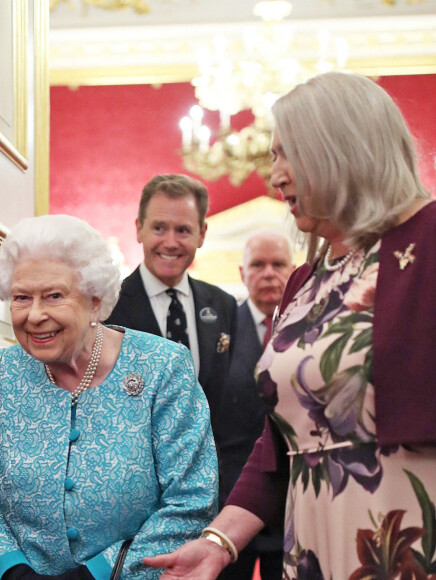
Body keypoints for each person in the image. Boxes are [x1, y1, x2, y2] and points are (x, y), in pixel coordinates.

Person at [144, 71, 436, 580]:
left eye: (286, 154)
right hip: (311, 547)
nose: (275, 174)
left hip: (406, 538)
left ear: (341, 147)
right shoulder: (306, 278)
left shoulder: (429, 241)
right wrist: (218, 542)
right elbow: (281, 442)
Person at [0, 214, 218, 580]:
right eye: (22, 297)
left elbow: (191, 502)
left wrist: (97, 574)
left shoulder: (162, 367)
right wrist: (11, 570)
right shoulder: (9, 369)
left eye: (54, 296)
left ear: (95, 302)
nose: (35, 315)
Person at [106, 174, 237, 426]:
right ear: (138, 229)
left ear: (201, 234)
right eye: (159, 228)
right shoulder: (107, 306)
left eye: (183, 230)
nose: (170, 242)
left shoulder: (224, 306)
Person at [213, 230, 293, 580]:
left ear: (294, 270)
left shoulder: (311, 330)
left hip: (294, 503)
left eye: (278, 264)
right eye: (258, 265)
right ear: (242, 273)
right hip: (230, 497)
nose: (269, 273)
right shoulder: (217, 331)